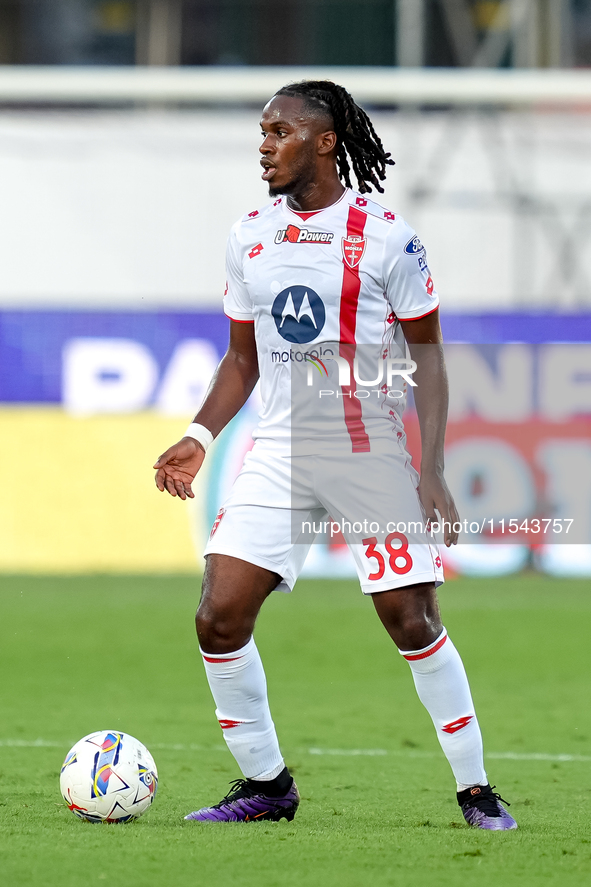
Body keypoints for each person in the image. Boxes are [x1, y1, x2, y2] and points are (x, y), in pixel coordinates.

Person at [154, 80, 517, 830]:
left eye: (278, 132)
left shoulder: (388, 238)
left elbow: (431, 358)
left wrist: (432, 468)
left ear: (323, 141)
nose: (263, 145)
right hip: (278, 450)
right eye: (261, 133)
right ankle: (265, 785)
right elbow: (241, 361)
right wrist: (198, 436)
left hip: (366, 449)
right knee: (218, 616)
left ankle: (476, 790)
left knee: (409, 617)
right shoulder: (248, 234)